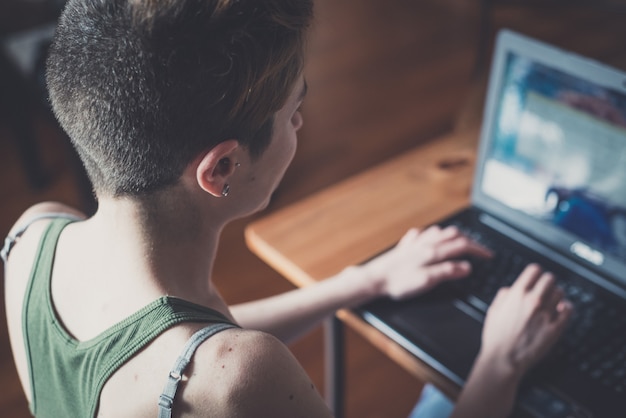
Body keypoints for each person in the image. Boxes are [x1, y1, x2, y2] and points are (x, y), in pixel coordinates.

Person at [2, 1, 572, 417]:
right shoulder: (239, 378)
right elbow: (212, 364)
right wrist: (501, 359)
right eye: (294, 112)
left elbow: (172, 350)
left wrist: (364, 280)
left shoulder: (34, 236)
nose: (298, 125)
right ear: (221, 169)